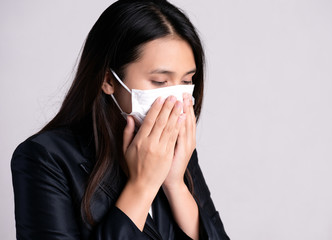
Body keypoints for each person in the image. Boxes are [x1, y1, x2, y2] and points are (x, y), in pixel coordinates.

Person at [11, 0, 229, 239]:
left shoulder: (178, 151)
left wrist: (176, 185)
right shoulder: (46, 158)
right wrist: (141, 186)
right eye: (159, 81)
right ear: (109, 80)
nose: (176, 97)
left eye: (186, 81)